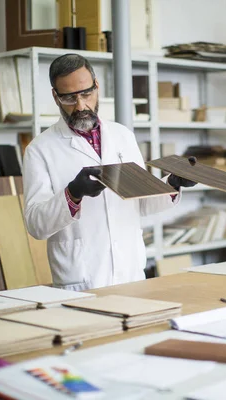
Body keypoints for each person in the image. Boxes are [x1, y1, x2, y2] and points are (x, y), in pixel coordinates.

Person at [23, 54, 196, 291]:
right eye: (69, 98)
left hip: (130, 273)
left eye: (86, 94)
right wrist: (73, 194)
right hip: (82, 279)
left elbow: (142, 204)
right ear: (55, 96)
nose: (81, 105)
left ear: (97, 87)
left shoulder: (123, 136)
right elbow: (36, 225)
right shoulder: (40, 149)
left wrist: (173, 184)